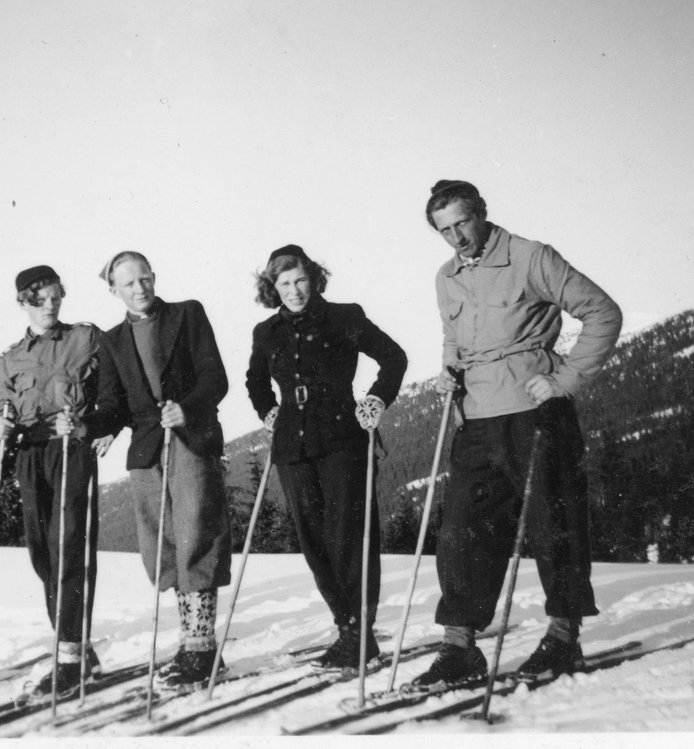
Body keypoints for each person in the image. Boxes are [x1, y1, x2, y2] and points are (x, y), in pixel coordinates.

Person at [411, 180, 622, 691]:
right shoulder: (447, 276)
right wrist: (448, 370)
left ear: (482, 213)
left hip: (534, 412)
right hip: (476, 417)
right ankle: (459, 648)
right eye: (444, 230)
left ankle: (562, 636)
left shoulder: (531, 257)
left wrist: (565, 379)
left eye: (462, 222)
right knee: (461, 532)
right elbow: (453, 336)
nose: (456, 237)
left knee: (555, 523)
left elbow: (603, 313)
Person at [245, 245, 408, 672]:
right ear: (272, 287)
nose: (294, 290)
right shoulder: (266, 332)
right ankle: (345, 627)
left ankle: (360, 635)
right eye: (283, 283)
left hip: (341, 440)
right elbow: (254, 379)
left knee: (349, 538)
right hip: (292, 449)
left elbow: (394, 357)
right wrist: (267, 409)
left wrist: (376, 399)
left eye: (300, 280)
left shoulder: (344, 317)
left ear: (313, 278)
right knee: (314, 543)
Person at [85, 251, 234, 689]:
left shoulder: (187, 315)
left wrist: (187, 409)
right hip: (148, 451)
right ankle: (192, 641)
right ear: (114, 290)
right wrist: (87, 425)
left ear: (154, 277)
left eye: (144, 278)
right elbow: (113, 406)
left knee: (196, 538)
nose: (140, 288)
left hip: (189, 439)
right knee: (163, 547)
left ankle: (202, 649)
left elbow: (215, 376)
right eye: (128, 283)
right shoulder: (112, 341)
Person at [0, 266, 106, 698]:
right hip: (29, 454)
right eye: (38, 299)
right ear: (22, 302)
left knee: (69, 543)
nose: (49, 306)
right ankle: (79, 647)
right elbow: (1, 408)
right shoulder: (9, 359)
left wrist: (95, 424)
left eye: (55, 296)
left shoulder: (86, 339)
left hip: (69, 446)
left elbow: (111, 390)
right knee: (43, 552)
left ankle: (71, 658)